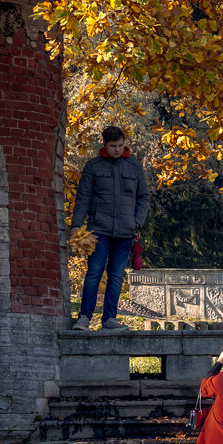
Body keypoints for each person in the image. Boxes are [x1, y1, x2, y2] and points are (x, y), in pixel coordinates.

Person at [70, 125, 149, 331]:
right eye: (114, 146)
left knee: (116, 276)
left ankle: (109, 320)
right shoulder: (93, 167)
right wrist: (76, 226)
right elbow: (83, 198)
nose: (118, 149)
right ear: (104, 144)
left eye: (121, 145)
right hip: (98, 231)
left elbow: (143, 197)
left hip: (125, 232)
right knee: (94, 274)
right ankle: (85, 317)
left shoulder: (134, 167)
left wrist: (137, 222)